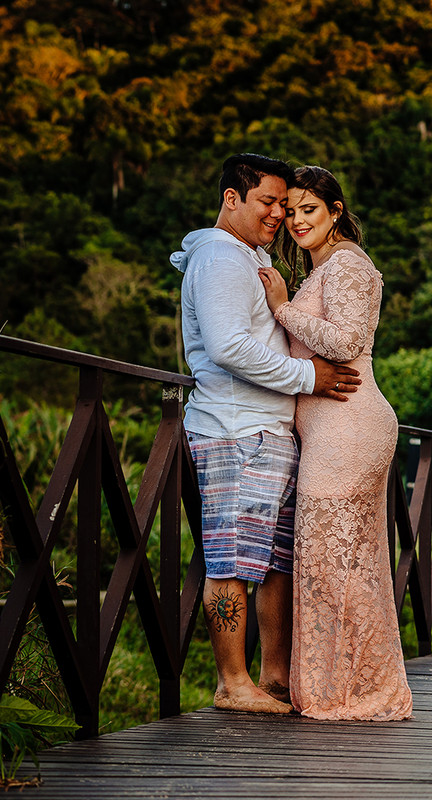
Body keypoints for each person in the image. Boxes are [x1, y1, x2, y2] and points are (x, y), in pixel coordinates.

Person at [172, 153, 362, 714]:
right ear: (232, 198)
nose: (279, 213)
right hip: (234, 430)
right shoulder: (220, 259)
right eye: (268, 202)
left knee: (276, 563)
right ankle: (233, 684)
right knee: (231, 559)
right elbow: (228, 347)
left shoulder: (247, 255)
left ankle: (274, 678)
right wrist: (308, 376)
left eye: (284, 203)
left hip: (268, 430)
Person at [258, 166, 413, 720]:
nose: (297, 221)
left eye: (309, 210)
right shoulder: (324, 267)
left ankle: (349, 692)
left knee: (333, 562)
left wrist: (282, 309)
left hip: (349, 428)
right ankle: (348, 686)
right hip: (334, 430)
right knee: (341, 563)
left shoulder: (347, 264)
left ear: (335, 211)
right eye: (291, 212)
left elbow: (347, 342)